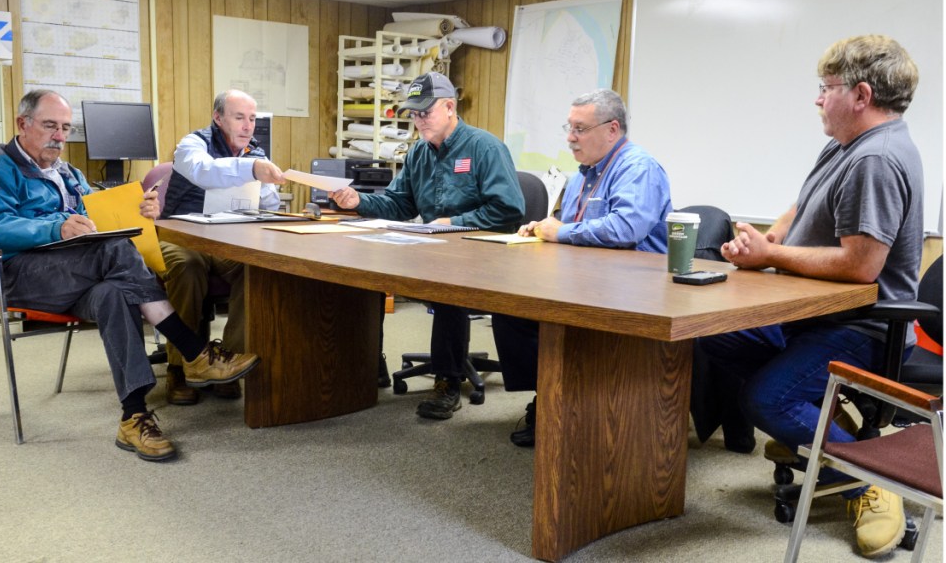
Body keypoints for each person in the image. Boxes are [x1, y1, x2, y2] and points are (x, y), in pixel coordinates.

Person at [698, 35, 923, 558]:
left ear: (861, 95)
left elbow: (861, 265)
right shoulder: (845, 144)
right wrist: (769, 240)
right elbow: (800, 207)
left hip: (862, 327)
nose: (818, 99)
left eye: (827, 89)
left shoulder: (878, 159)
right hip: (817, 314)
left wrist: (770, 259)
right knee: (715, 338)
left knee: (765, 400)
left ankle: (872, 477)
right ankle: (827, 427)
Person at [0, 89, 261, 462]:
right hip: (14, 274)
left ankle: (133, 416)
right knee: (114, 250)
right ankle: (193, 349)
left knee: (114, 292)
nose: (59, 136)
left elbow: (98, 213)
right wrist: (57, 228)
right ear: (23, 124)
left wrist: (138, 209)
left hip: (72, 272)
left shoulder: (68, 173)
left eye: (65, 128)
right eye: (50, 125)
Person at [329, 72, 525, 420]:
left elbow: (508, 209)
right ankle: (368, 364)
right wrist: (356, 200)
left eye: (425, 112)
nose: (418, 120)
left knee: (448, 285)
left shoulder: (484, 147)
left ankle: (448, 383)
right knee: (366, 273)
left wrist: (451, 223)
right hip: (431, 247)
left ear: (450, 107)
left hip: (481, 254)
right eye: (414, 114)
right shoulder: (419, 152)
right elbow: (399, 205)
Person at [490, 88, 673, 447]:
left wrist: (562, 232)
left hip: (637, 288)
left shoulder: (637, 168)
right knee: (511, 308)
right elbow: (568, 224)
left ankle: (567, 402)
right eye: (569, 127)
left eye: (580, 128)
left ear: (612, 129)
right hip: (587, 279)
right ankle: (551, 393)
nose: (570, 138)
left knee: (561, 319)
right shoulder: (581, 176)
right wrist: (543, 228)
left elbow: (626, 229)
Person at [158, 89, 286, 405]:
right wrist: (251, 170)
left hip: (229, 241)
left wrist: (267, 186)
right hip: (182, 236)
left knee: (253, 267)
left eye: (252, 119)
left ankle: (228, 361)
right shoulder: (193, 144)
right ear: (218, 118)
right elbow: (204, 171)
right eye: (239, 117)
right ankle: (180, 365)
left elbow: (269, 203)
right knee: (186, 267)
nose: (248, 126)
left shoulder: (256, 153)